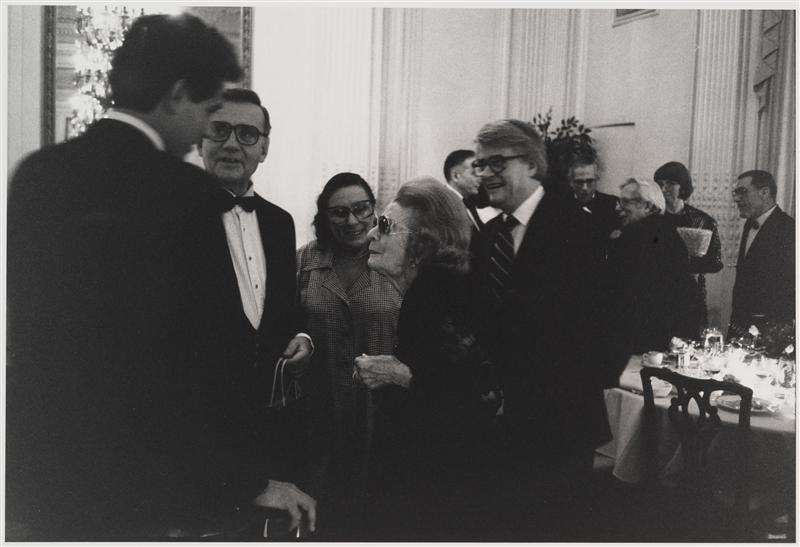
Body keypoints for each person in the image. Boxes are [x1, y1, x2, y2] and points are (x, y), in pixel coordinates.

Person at [7, 15, 311, 540]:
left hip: (48, 465)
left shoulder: (37, 173)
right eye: (208, 111)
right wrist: (246, 480)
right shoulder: (185, 193)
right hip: (149, 478)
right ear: (176, 94)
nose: (203, 132)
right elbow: (199, 362)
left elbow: (29, 328)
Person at [470, 119, 626, 540]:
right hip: (499, 423)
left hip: (559, 424)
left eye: (496, 163)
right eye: (480, 165)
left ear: (532, 165)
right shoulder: (488, 236)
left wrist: (554, 393)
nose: (485, 174)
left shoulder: (578, 228)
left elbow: (611, 326)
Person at [197, 86, 317, 531]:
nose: (232, 144)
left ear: (264, 148)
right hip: (203, 436)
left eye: (248, 134)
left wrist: (302, 337)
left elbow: (284, 308)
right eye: (220, 130)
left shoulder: (280, 222)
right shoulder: (173, 219)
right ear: (201, 140)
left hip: (269, 426)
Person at [354, 177, 500, 541]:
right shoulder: (437, 289)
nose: (371, 233)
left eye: (385, 225)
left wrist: (400, 375)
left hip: (436, 487)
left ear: (422, 244)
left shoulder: (434, 296)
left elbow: (482, 394)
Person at [295, 172, 402, 540]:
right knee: (322, 516)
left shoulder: (396, 258)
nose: (352, 221)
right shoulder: (305, 260)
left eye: (361, 209)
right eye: (339, 212)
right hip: (320, 412)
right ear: (324, 217)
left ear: (375, 210)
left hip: (381, 413)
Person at [608, 177, 699, 352]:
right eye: (619, 201)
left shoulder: (634, 237)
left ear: (648, 206)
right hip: (667, 335)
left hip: (645, 337)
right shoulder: (666, 232)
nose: (618, 207)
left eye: (625, 202)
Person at [654, 161, 723, 332]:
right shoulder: (651, 219)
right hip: (655, 294)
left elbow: (716, 263)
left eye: (670, 183)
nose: (664, 189)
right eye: (660, 184)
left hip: (689, 296)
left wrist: (694, 259)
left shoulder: (703, 221)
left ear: (683, 186)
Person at [729, 170, 795, 334]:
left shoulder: (790, 229)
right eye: (736, 193)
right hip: (741, 323)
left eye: (742, 192)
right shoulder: (749, 224)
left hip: (770, 329)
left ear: (764, 193)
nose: (736, 199)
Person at [443, 148, 498, 228]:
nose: (480, 178)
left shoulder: (469, 202)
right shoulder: (440, 207)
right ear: (456, 176)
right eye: (474, 173)